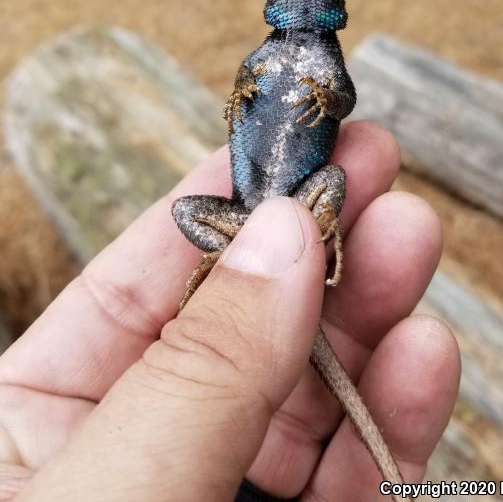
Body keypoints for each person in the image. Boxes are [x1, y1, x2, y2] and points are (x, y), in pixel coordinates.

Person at [0, 122, 460, 501]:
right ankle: (245, 253)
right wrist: (247, 262)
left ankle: (293, 243)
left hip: (298, 212)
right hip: (256, 219)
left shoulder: (325, 64)